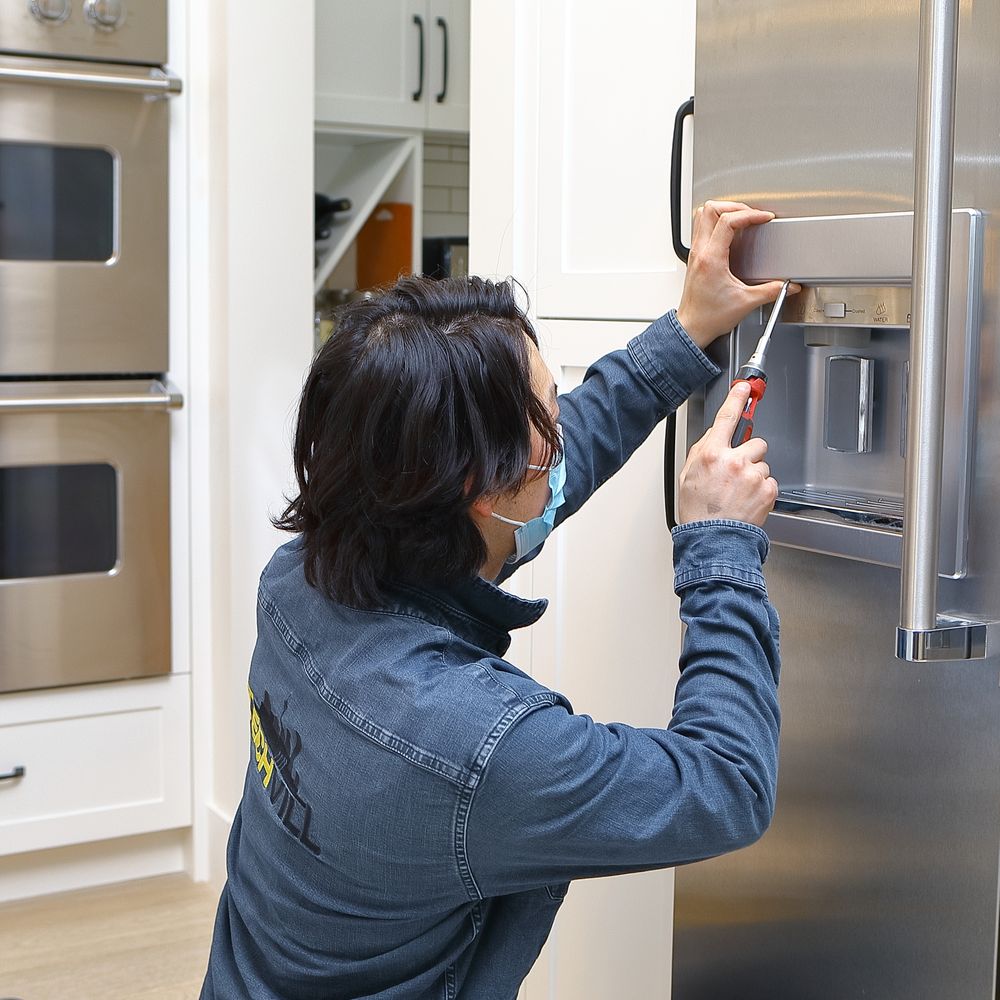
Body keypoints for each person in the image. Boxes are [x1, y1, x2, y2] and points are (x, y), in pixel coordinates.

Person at [201, 202, 792, 999]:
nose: (561, 430)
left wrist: (687, 330)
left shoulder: (304, 575)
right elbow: (724, 786)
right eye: (548, 417)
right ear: (479, 488)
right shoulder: (481, 749)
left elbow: (540, 470)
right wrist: (719, 546)